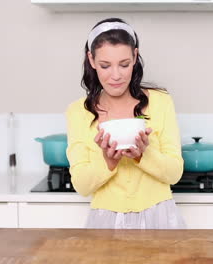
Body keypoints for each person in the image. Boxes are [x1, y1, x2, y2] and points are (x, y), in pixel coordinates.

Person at [65, 18, 185, 229]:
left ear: (135, 57)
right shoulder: (78, 112)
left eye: (124, 64)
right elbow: (82, 185)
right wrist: (108, 163)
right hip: (106, 221)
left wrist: (143, 155)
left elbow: (175, 173)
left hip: (160, 218)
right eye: (105, 65)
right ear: (91, 60)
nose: (116, 76)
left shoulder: (160, 101)